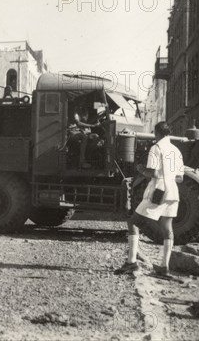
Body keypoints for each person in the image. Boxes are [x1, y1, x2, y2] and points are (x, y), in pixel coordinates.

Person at [115, 121, 184, 277]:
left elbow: (151, 173)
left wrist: (140, 169)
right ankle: (163, 267)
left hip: (158, 191)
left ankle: (131, 262)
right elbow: (180, 177)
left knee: (133, 222)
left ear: (156, 133)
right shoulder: (176, 150)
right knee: (168, 228)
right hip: (173, 191)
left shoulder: (156, 148)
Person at [68, 104, 101, 169]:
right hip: (74, 132)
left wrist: (96, 119)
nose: (82, 103)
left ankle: (88, 157)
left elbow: (86, 122)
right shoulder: (75, 112)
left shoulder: (84, 111)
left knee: (95, 136)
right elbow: (78, 123)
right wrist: (93, 126)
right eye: (81, 101)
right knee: (84, 137)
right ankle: (81, 162)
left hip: (82, 131)